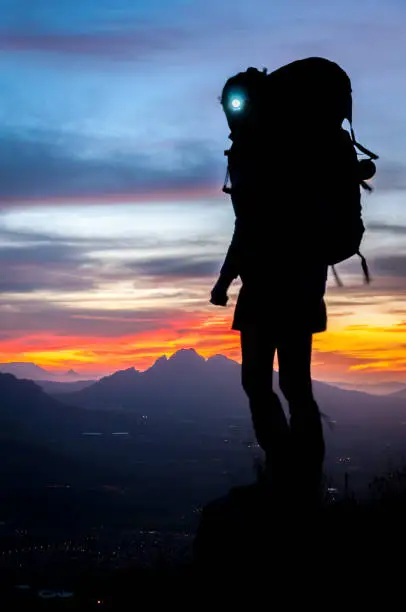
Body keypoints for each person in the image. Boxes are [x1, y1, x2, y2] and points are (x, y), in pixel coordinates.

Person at [210, 66, 329, 493]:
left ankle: (287, 475)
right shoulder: (290, 148)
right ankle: (303, 477)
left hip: (267, 289)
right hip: (301, 285)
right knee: (295, 385)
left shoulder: (259, 155)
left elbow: (250, 226)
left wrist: (224, 281)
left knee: (259, 382)